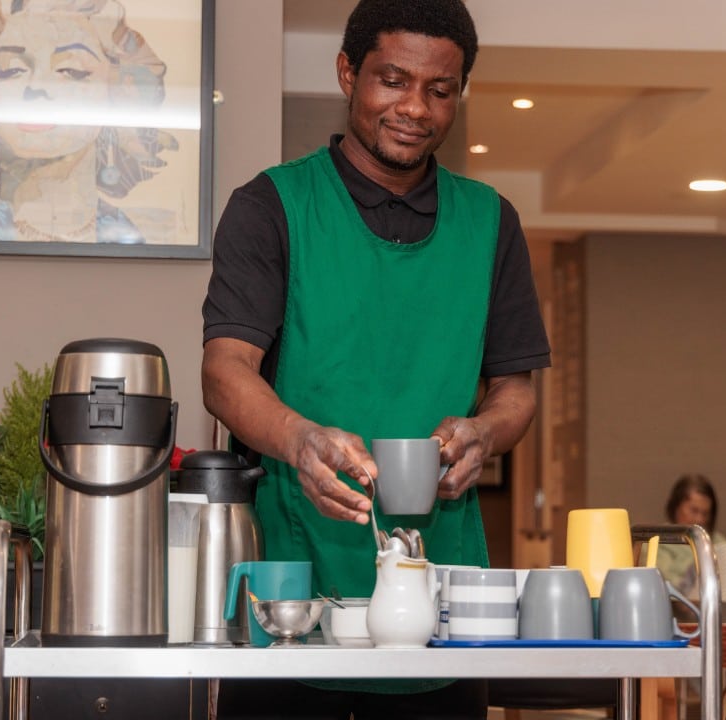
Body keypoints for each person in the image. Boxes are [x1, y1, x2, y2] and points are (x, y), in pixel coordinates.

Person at [201, 0, 550, 716]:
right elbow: (224, 370)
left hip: (445, 595)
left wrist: (485, 432)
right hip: (290, 591)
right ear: (347, 74)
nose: (415, 107)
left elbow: (516, 391)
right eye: (393, 80)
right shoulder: (272, 205)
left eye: (440, 89)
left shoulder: (491, 222)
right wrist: (301, 441)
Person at [0, 0, 179, 244]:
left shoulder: (165, 233)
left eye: (72, 71)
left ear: (119, 93)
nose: (37, 88)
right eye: (11, 70)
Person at [655, 474, 726, 599]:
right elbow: (664, 585)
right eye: (694, 511)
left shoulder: (718, 542)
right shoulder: (658, 541)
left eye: (705, 513)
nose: (700, 519)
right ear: (676, 507)